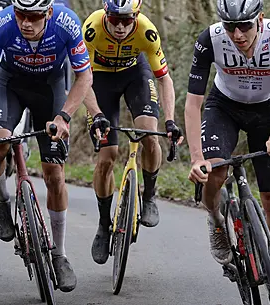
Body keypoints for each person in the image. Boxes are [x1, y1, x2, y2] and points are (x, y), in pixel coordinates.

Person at [0, 0, 92, 293]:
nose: (26, 23)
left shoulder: (67, 23)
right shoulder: (1, 24)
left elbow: (85, 76)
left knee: (55, 175)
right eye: (21, 15)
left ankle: (59, 254)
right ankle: (2, 198)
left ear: (48, 13)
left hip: (50, 86)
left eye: (33, 17)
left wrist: (64, 116)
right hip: (10, 85)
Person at [184, 0, 270, 304]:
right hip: (224, 108)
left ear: (259, 19)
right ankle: (215, 219)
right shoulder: (209, 39)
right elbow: (193, 102)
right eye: (229, 26)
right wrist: (197, 157)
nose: (237, 34)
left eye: (245, 26)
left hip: (269, 109)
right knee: (215, 172)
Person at [80, 0, 183, 265]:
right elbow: (81, 78)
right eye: (115, 19)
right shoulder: (91, 28)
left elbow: (164, 78)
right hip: (98, 79)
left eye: (128, 20)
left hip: (135, 74)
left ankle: (148, 196)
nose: (121, 26)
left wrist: (170, 120)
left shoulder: (146, 31)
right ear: (106, 14)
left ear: (136, 16)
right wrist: (97, 114)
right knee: (107, 155)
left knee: (149, 133)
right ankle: (104, 225)